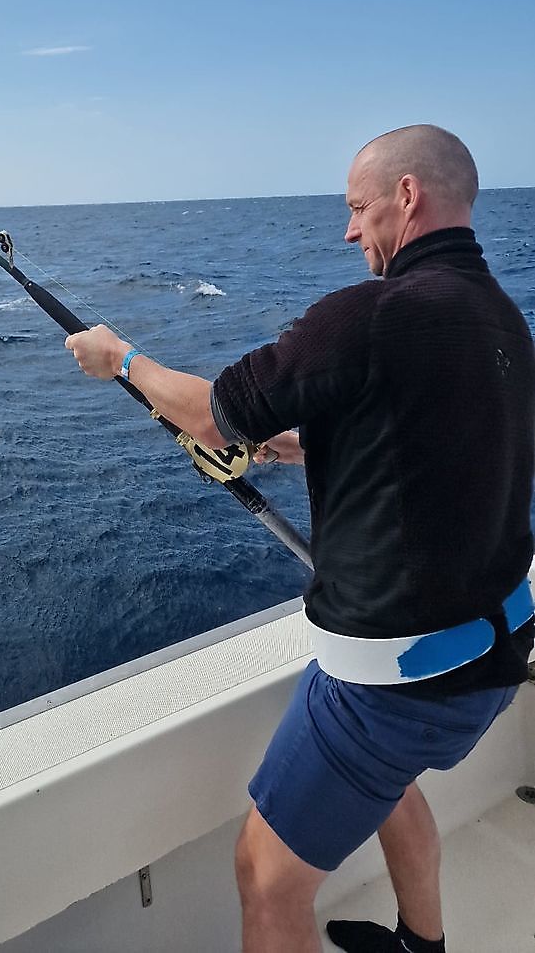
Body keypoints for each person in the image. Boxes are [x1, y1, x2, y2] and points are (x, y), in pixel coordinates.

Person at [65, 125, 535, 953]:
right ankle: (419, 945)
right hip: (492, 659)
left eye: (356, 208)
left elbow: (212, 414)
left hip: (391, 687)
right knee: (390, 787)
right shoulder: (499, 319)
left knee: (263, 876)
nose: (348, 231)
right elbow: (430, 441)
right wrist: (297, 445)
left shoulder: (369, 316)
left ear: (406, 196)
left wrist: (120, 358)